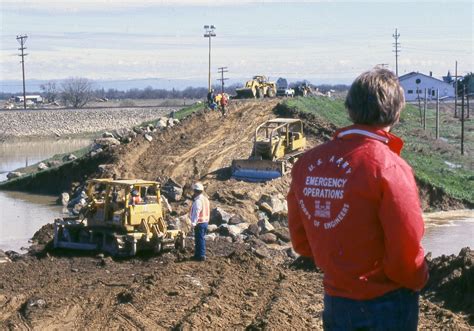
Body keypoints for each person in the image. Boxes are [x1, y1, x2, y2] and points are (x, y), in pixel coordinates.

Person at [287, 68, 428, 331]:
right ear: (396, 113)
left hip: (336, 300)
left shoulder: (308, 163)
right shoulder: (390, 167)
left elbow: (301, 241)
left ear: (350, 108)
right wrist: (417, 278)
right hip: (386, 302)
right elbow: (406, 249)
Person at [190, 182, 210, 261]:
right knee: (199, 239)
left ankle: (201, 255)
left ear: (195, 191)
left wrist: (193, 223)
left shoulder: (198, 201)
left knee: (199, 239)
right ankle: (197, 255)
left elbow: (196, 212)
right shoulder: (205, 199)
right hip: (205, 222)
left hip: (200, 223)